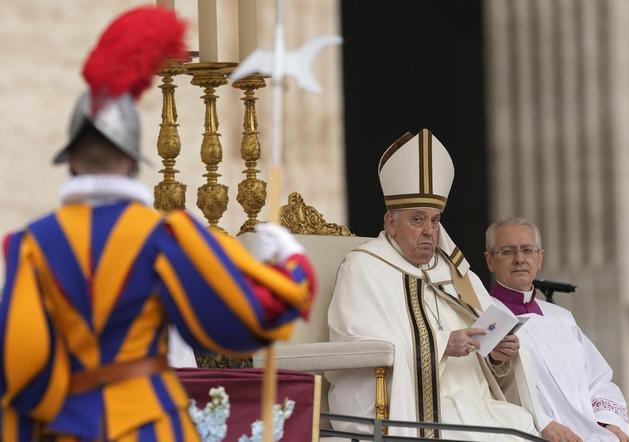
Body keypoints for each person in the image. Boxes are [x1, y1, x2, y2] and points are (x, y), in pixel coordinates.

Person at [0, 6, 315, 441]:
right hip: (149, 425)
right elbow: (241, 323)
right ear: (132, 161)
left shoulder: (29, 244)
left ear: (70, 160)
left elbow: (19, 364)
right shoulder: (164, 234)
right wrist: (290, 263)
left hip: (66, 427)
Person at [327, 129, 540, 440]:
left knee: (523, 429)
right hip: (406, 409)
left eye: (435, 220)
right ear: (390, 223)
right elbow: (356, 345)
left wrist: (497, 354)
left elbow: (485, 347)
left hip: (471, 405)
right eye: (417, 220)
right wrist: (441, 346)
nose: (429, 231)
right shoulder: (363, 267)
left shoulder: (453, 272)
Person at [485, 217, 629, 442]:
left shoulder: (561, 318)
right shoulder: (482, 315)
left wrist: (609, 423)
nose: (519, 259)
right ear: (490, 261)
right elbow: (489, 389)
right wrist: (543, 423)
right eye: (507, 251)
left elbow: (598, 379)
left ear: (540, 257)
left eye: (527, 250)